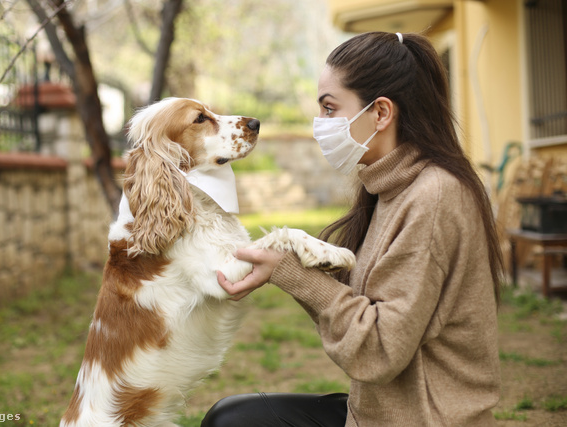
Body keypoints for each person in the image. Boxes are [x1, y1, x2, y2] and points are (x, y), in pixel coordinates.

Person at [201, 31, 504, 427]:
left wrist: (289, 273)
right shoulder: (390, 186)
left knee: (232, 424)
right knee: (230, 416)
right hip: (378, 411)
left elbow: (379, 351)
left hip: (426, 418)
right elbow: (360, 301)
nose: (319, 125)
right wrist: (283, 263)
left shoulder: (434, 197)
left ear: (380, 113)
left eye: (330, 109)